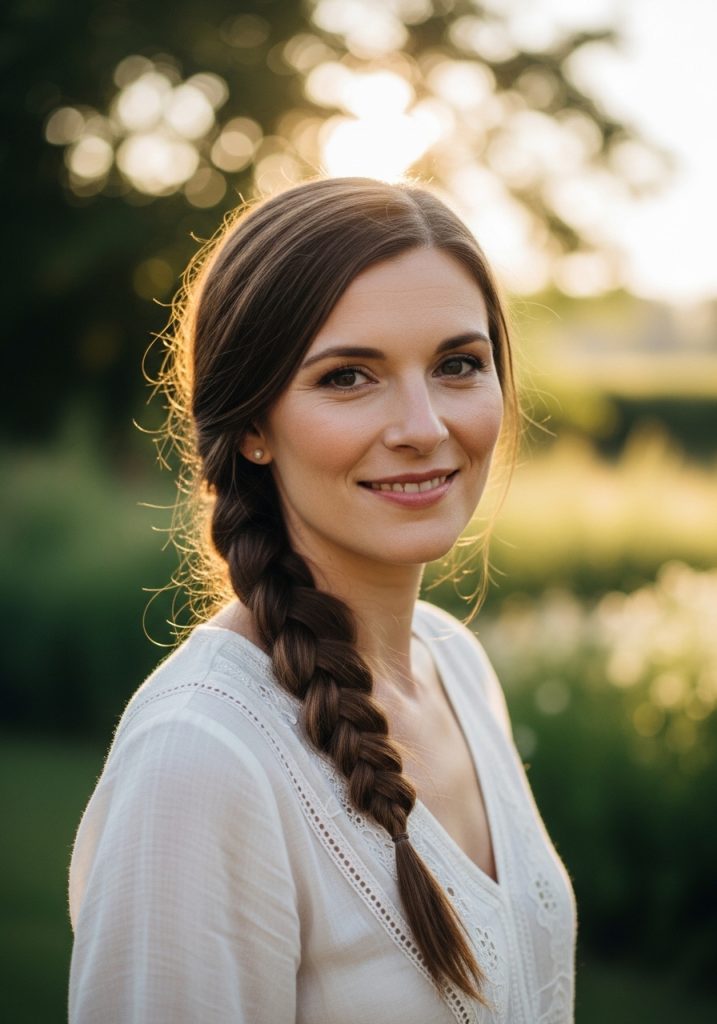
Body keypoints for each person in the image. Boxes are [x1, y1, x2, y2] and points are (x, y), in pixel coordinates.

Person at [68, 176, 576, 1023]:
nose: (422, 426)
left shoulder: (457, 667)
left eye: (457, 364)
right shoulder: (199, 757)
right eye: (347, 377)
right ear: (252, 426)